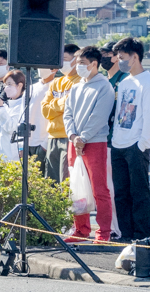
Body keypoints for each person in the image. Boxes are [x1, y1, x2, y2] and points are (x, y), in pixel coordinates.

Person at [62, 45, 117, 243]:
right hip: (75, 142)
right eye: (77, 63)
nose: (78, 67)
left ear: (94, 64)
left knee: (99, 189)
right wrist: (73, 136)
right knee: (76, 187)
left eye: (82, 63)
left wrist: (82, 138)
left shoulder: (104, 86)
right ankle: (81, 230)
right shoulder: (75, 87)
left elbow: (99, 117)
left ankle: (103, 233)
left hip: (95, 143)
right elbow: (67, 114)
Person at [109, 37, 150, 241]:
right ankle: (126, 236)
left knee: (140, 193)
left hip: (137, 145)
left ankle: (142, 236)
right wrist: (115, 138)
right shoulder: (124, 82)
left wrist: (143, 143)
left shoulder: (148, 81)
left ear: (135, 57)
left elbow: (148, 114)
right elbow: (118, 114)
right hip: (119, 144)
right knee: (121, 194)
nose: (119, 61)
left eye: (123, 57)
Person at [41, 43, 82, 182]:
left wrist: (55, 104)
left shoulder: (81, 81)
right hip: (52, 136)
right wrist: (62, 103)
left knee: (66, 180)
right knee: (50, 181)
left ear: (75, 60)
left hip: (69, 136)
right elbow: (45, 110)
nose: (61, 63)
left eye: (64, 58)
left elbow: (72, 105)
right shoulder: (56, 82)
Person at [0, 69, 28, 162]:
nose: (6, 88)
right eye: (5, 85)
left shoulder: (23, 105)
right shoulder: (5, 104)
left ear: (20, 85)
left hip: (11, 157)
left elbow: (10, 127)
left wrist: (0, 108)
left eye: (9, 84)